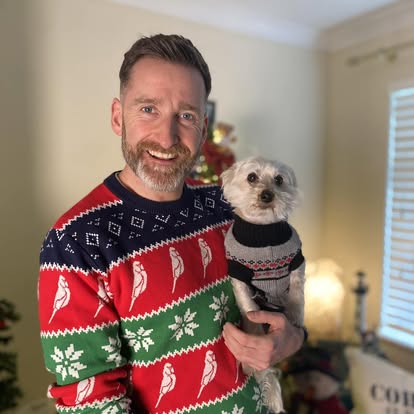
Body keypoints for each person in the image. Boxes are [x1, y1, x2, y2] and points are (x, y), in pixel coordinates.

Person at [38, 34, 305, 414]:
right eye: (148, 109)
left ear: (203, 127)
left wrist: (292, 338)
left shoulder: (229, 207)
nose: (167, 137)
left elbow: (282, 287)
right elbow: (90, 401)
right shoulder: (76, 241)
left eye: (186, 116)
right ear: (118, 116)